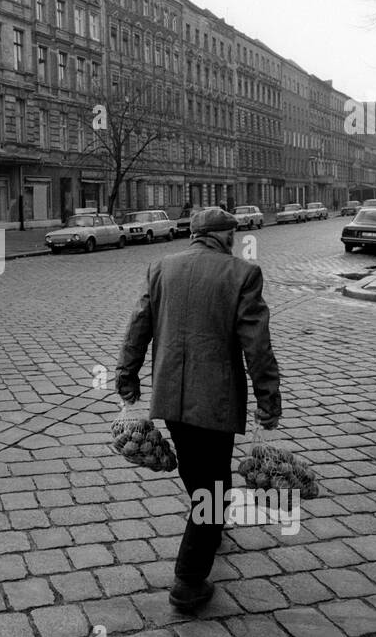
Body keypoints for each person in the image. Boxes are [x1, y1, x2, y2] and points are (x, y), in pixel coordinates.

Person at [115, 206, 282, 613]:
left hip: (171, 397)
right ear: (225, 237)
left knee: (199, 473)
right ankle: (188, 580)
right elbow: (256, 344)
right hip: (216, 401)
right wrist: (269, 398)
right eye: (233, 235)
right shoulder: (242, 273)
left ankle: (207, 526)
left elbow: (139, 324)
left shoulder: (161, 268)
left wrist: (127, 374)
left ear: (193, 235)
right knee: (213, 487)